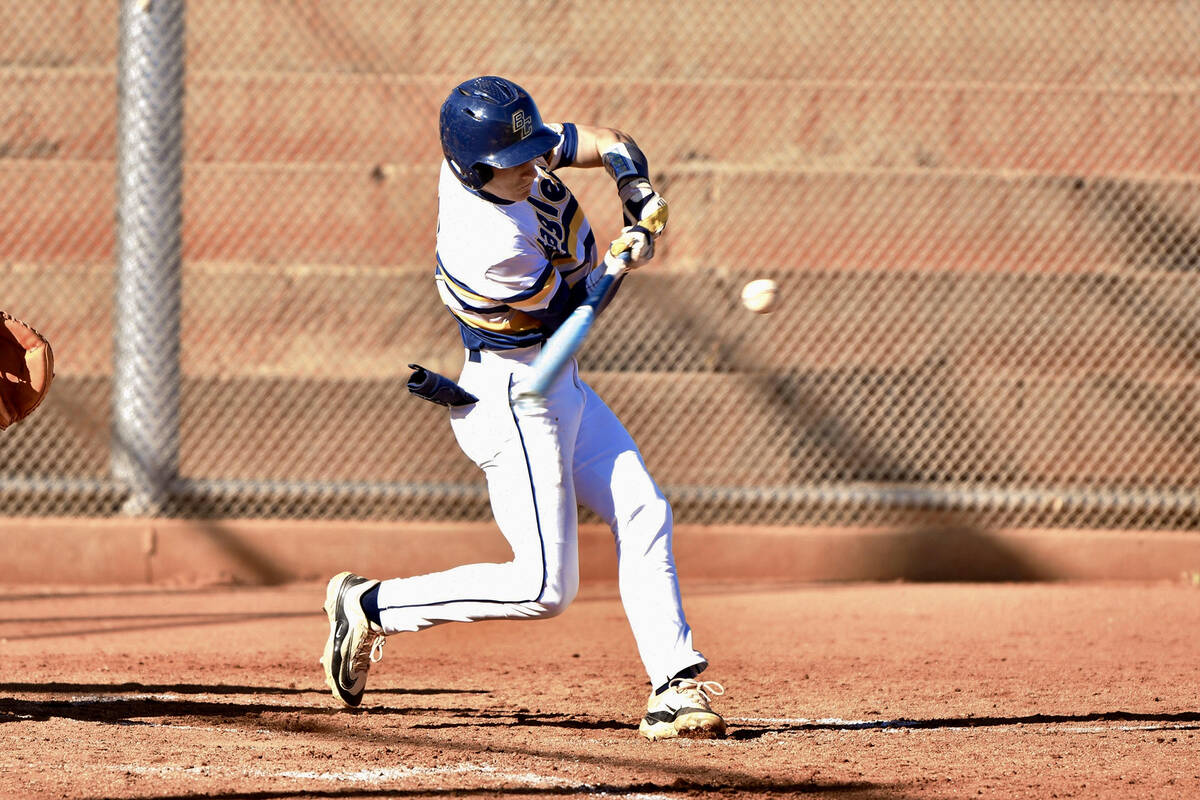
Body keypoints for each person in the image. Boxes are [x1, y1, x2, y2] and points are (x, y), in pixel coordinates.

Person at [320, 75, 726, 741]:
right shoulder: (489, 243)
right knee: (542, 589)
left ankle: (673, 684)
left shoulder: (502, 156)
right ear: (473, 169)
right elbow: (566, 318)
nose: (536, 166)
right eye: (517, 163)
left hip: (556, 382)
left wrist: (634, 190)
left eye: (535, 150)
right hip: (516, 396)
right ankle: (370, 604)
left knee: (643, 507)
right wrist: (623, 261)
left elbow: (607, 142)